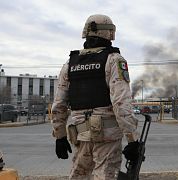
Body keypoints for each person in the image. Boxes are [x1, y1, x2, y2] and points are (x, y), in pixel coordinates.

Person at [51, 14, 140, 180]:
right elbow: (121, 103)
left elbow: (59, 106)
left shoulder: (69, 65)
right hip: (107, 137)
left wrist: (60, 136)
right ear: (107, 33)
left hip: (80, 135)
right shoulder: (114, 60)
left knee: (79, 176)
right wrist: (132, 139)